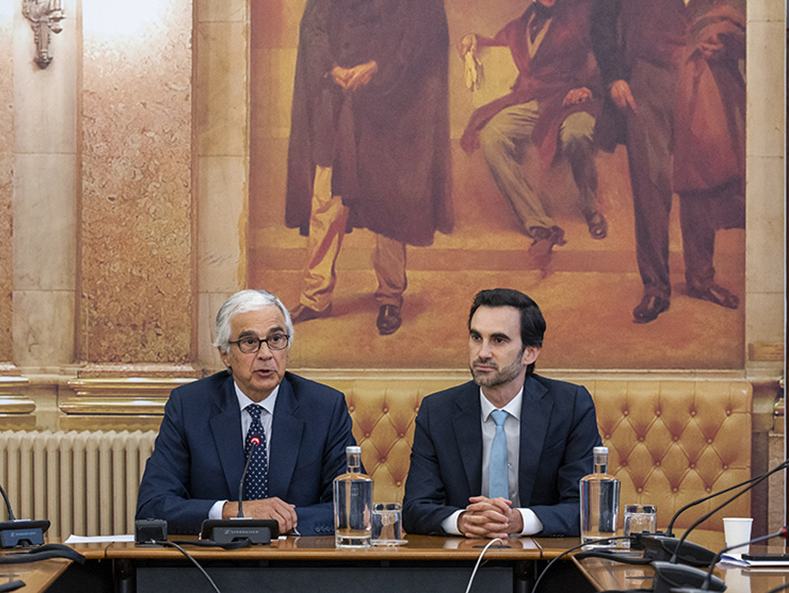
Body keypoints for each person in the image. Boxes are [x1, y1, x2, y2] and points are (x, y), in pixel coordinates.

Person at [284, 0, 453, 336]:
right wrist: (330, 68)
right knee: (326, 201)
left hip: (391, 102)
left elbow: (422, 32)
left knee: (388, 204)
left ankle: (390, 296)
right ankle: (315, 296)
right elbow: (313, 28)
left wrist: (378, 67)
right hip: (337, 96)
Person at [136, 289, 356, 536]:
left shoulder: (325, 408)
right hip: (214, 565)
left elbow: (352, 507)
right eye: (249, 342)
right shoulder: (189, 406)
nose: (265, 354)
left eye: (276, 340)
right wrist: (234, 512)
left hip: (296, 564)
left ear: (288, 347)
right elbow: (152, 507)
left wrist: (278, 520)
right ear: (224, 354)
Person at [403, 288, 601, 537]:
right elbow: (414, 508)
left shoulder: (571, 406)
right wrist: (463, 521)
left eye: (498, 340)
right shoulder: (437, 411)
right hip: (460, 562)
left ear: (530, 352)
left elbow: (588, 509)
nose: (483, 353)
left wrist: (518, 520)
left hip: (546, 563)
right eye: (476, 338)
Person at [459, 0, 608, 268]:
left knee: (576, 135)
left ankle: (591, 208)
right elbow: (498, 46)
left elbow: (607, 55)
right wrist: (473, 39)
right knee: (491, 135)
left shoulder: (582, 14)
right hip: (536, 101)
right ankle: (539, 224)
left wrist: (588, 88)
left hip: (574, 99)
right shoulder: (521, 24)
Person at [591, 0, 690, 323]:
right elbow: (603, 20)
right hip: (646, 76)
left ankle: (702, 277)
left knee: (703, 174)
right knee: (651, 183)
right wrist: (616, 76)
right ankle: (656, 287)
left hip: (700, 70)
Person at [673, 0, 745, 310]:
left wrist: (727, 43)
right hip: (672, 88)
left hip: (719, 94)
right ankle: (699, 279)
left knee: (726, 180)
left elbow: (762, 36)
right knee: (692, 184)